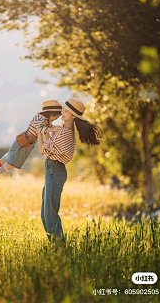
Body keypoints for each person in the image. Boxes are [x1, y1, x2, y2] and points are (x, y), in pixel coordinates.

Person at [37, 97, 102, 242]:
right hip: (52, 169)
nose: (63, 111)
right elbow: (49, 142)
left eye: (66, 111)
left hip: (55, 169)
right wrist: (46, 128)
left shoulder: (65, 133)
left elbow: (42, 149)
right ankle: (55, 245)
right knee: (45, 212)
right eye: (63, 109)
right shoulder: (62, 129)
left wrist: (38, 133)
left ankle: (60, 246)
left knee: (50, 213)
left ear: (73, 116)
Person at [0, 100, 62, 185]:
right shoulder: (39, 118)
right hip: (26, 140)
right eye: (56, 116)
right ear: (50, 113)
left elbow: (47, 131)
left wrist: (55, 130)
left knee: (14, 154)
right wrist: (52, 129)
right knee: (15, 162)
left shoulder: (47, 122)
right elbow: (40, 130)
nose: (56, 118)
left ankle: (0, 162)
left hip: (29, 142)